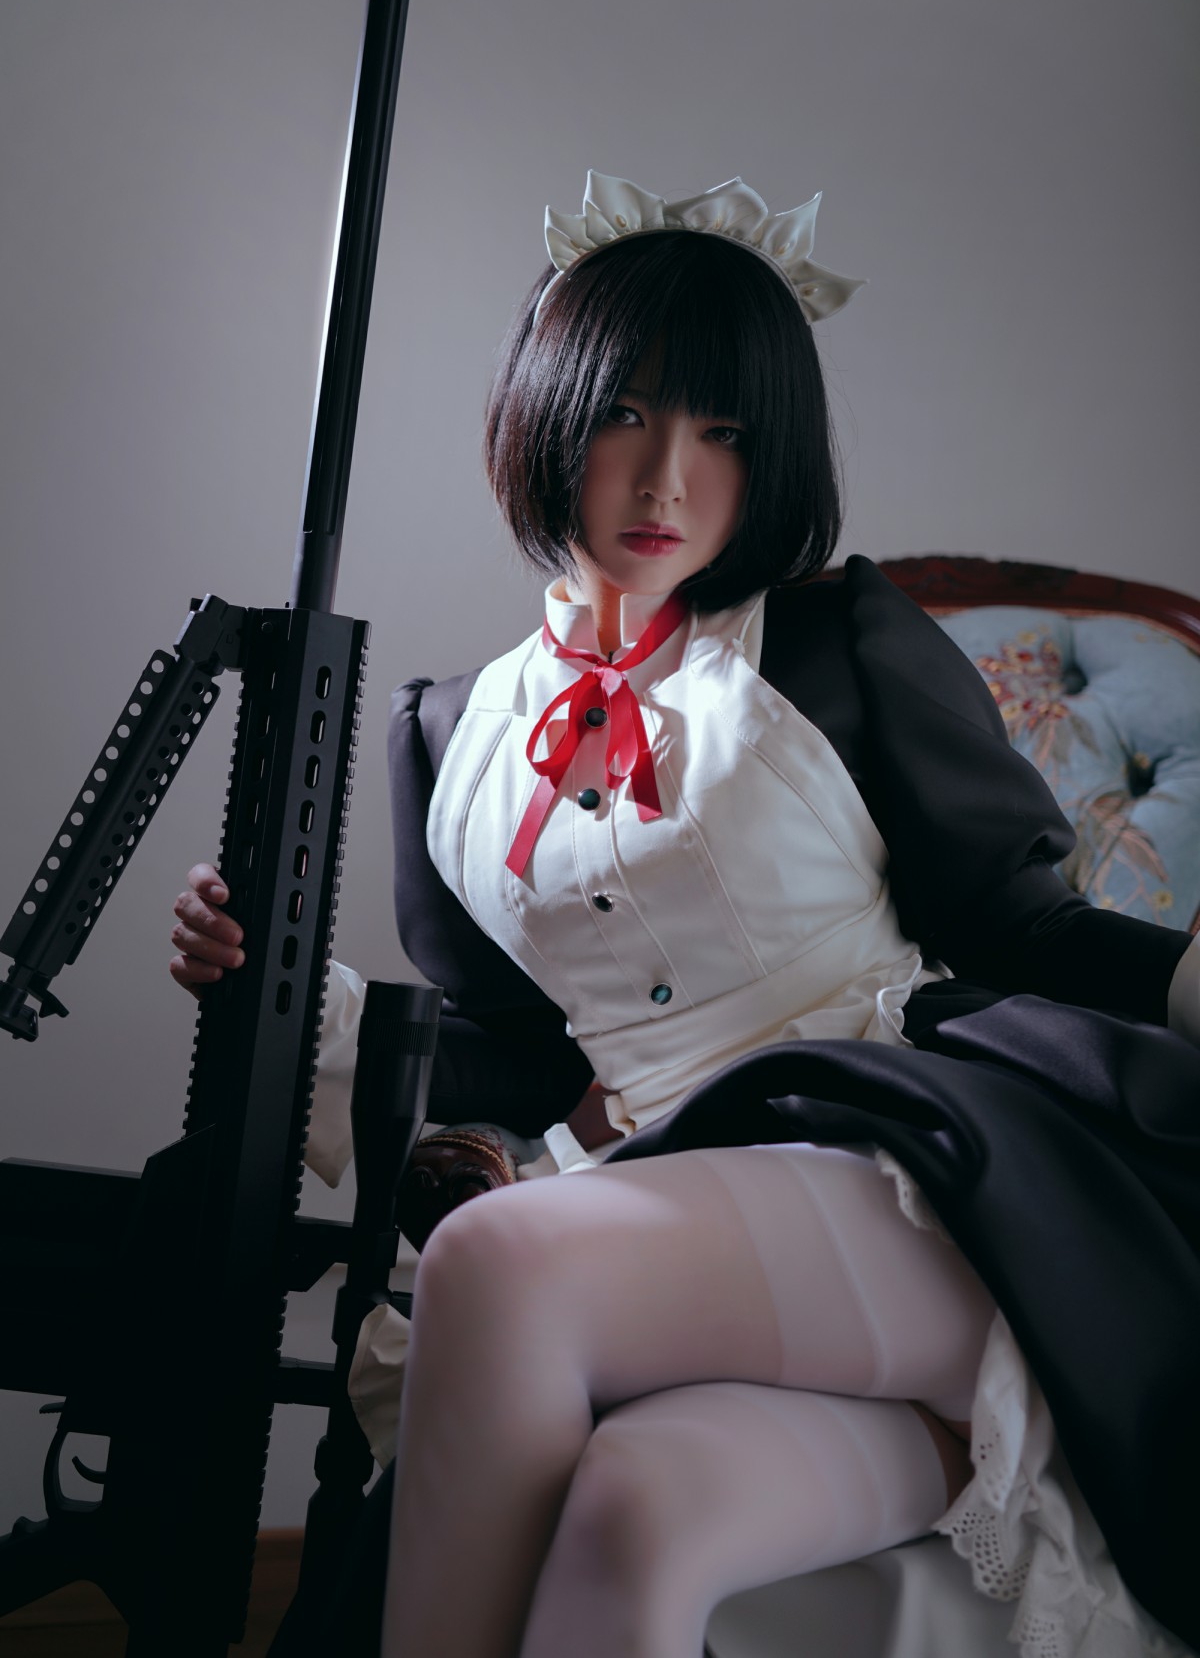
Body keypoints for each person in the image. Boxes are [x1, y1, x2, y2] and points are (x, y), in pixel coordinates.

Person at [169, 174, 1200, 1658]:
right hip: (653, 1180)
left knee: (494, 1262)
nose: (668, 480)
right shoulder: (450, 735)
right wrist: (284, 994)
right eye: (627, 415)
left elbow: (1027, 929)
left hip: (895, 1152)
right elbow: (519, 1055)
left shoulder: (837, 644)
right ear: (545, 418)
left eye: (725, 434)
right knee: (638, 1513)